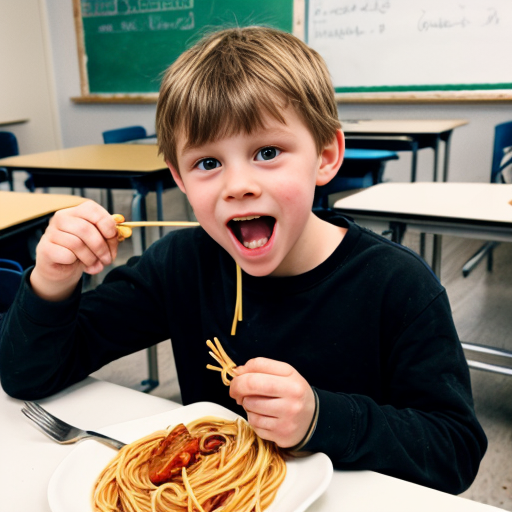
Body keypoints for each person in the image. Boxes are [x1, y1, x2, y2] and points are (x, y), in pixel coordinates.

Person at [0, 26, 486, 493]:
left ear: (325, 155)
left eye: (268, 151)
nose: (237, 186)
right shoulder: (181, 265)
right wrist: (51, 281)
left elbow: (455, 451)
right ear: (180, 179)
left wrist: (322, 417)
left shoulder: (397, 284)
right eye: (207, 164)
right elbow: (27, 375)